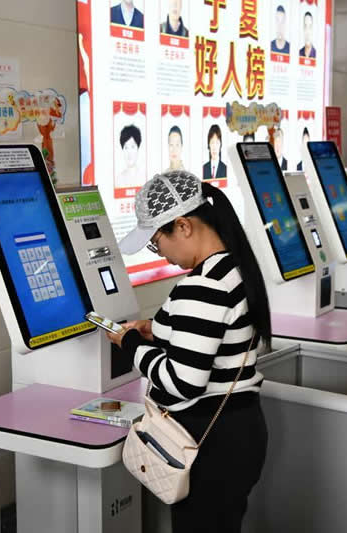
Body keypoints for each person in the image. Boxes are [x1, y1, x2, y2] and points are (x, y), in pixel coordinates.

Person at [109, 170, 269, 533]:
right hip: (238, 431)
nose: (162, 254)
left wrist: (130, 343)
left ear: (183, 226)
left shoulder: (202, 285)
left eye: (157, 242)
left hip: (209, 444)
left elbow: (184, 383)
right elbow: (213, 331)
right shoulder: (232, 266)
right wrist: (156, 329)